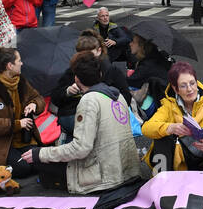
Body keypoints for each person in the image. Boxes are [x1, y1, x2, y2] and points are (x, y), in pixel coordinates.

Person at [17, 56, 151, 196]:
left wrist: (41, 154)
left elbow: (81, 148)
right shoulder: (117, 95)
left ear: (76, 79)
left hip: (105, 176)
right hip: (127, 169)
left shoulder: (89, 100)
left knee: (40, 162)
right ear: (100, 75)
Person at [0, 46, 49, 184]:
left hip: (23, 140)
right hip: (1, 144)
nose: (22, 63)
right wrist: (18, 124)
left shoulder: (20, 81)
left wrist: (34, 105)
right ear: (9, 65)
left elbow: (39, 99)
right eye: (19, 60)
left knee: (43, 162)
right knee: (23, 168)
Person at [141, 61, 203, 171]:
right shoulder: (169, 105)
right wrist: (170, 128)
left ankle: (200, 184)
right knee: (162, 139)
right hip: (177, 158)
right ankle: (164, 182)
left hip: (202, 158)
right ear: (176, 89)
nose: (190, 89)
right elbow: (146, 128)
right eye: (183, 86)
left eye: (192, 83)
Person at [50, 30, 131, 134]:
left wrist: (103, 96)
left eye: (89, 52)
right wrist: (68, 91)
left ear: (99, 51)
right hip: (74, 112)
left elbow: (126, 98)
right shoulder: (72, 70)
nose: (84, 57)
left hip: (104, 113)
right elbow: (56, 97)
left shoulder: (111, 71)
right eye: (81, 53)